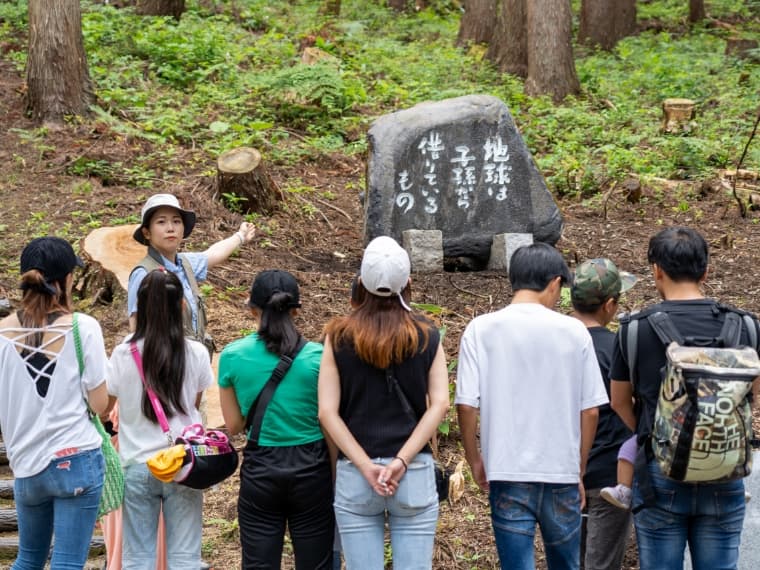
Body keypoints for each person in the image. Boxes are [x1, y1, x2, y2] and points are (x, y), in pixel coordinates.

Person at [609, 226, 760, 570]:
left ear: (656, 271)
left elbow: (619, 401)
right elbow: (752, 394)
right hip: (725, 470)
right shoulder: (747, 327)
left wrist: (656, 432)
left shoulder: (634, 330)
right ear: (706, 270)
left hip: (661, 474)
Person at [455, 242, 608, 570]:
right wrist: (578, 469)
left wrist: (475, 460)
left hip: (506, 472)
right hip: (561, 474)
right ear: (554, 283)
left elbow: (466, 406)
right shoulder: (574, 332)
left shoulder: (480, 330)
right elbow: (591, 410)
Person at [318, 236, 449, 569]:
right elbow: (440, 405)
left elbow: (327, 413)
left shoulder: (338, 336)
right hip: (413, 473)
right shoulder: (426, 334)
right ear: (408, 282)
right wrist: (401, 462)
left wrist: (365, 465)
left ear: (360, 282)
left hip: (356, 477)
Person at [0, 237, 110, 569]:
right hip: (75, 459)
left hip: (26, 465)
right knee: (66, 563)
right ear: (63, 282)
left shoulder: (2, 334)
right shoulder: (84, 328)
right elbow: (100, 402)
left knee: (28, 559)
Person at [219, 269, 334, 569]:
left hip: (262, 469)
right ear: (295, 309)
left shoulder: (232, 355)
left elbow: (233, 426)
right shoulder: (320, 357)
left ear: (252, 308)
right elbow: (329, 420)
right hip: (312, 467)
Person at [107, 269, 213, 569]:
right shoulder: (195, 352)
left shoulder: (122, 354)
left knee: (137, 558)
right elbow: (193, 403)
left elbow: (109, 404)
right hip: (181, 463)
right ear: (181, 305)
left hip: (137, 465)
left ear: (139, 307)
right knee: (185, 557)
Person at [570, 258, 637, 570]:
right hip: (610, 475)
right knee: (602, 564)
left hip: (560, 472)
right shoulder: (619, 347)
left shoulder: (556, 342)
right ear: (610, 305)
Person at [127, 193, 256, 341]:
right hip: (164, 360)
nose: (170, 228)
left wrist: (240, 236)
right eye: (161, 222)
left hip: (194, 359)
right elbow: (135, 329)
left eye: (176, 221)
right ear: (146, 232)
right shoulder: (143, 274)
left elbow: (213, 253)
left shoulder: (185, 263)